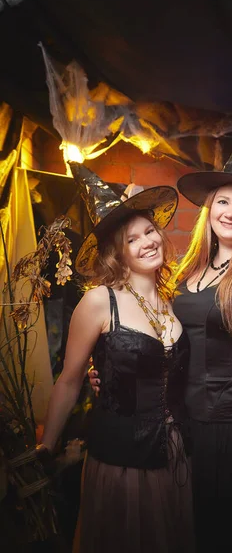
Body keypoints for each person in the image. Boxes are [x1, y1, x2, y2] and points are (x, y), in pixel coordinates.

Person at [90, 109, 232, 552]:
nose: (231, 213)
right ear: (209, 209)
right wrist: (108, 372)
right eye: (223, 202)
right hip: (181, 430)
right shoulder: (185, 272)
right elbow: (155, 337)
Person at [37, 162, 195, 553]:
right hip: (120, 459)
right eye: (132, 239)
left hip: (175, 456)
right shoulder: (97, 302)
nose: (147, 242)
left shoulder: (173, 302)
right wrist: (47, 445)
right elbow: (71, 378)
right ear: (116, 253)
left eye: (149, 231)